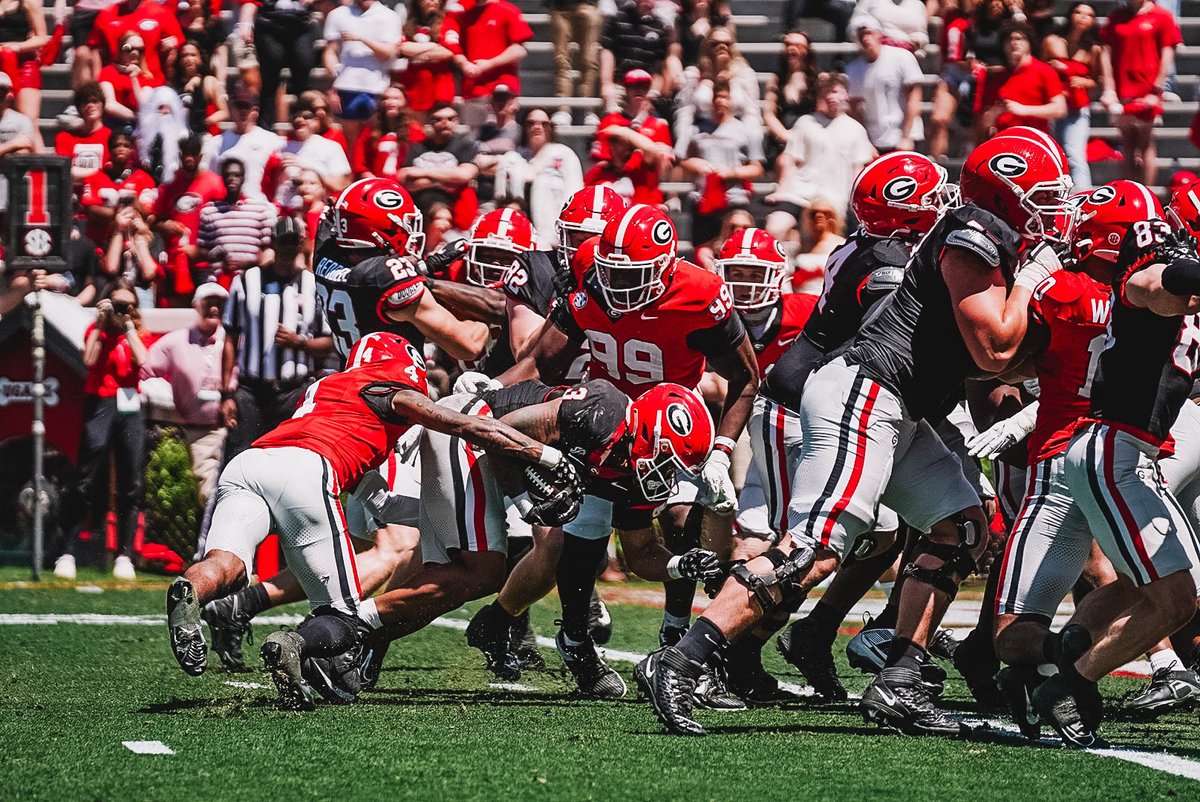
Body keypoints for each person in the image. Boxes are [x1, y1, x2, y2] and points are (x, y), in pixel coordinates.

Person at [637, 132, 1070, 736]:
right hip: (867, 393)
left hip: (901, 404)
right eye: (1043, 195)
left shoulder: (989, 237)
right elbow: (995, 349)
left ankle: (900, 679)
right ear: (1004, 193)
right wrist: (1034, 284)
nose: (1056, 209)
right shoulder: (973, 230)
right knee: (815, 547)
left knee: (962, 527)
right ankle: (683, 659)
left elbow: (987, 356)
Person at [165, 330, 571, 713]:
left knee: (226, 565)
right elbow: (462, 424)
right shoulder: (386, 391)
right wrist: (541, 455)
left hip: (250, 463)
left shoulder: (325, 394)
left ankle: (192, 592)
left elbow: (385, 504)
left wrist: (437, 514)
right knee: (341, 617)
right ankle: (292, 647)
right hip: (307, 470)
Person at [495, 204, 760, 699]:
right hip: (603, 422)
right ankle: (576, 643)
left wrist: (723, 449)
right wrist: (483, 395)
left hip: (672, 425)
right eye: (609, 271)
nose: (616, 285)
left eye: (631, 274)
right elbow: (541, 363)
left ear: (664, 266)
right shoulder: (588, 275)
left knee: (681, 524)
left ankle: (676, 645)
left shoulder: (700, 294)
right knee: (584, 534)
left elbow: (747, 378)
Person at [724, 151, 949, 703]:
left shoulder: (880, 249)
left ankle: (808, 633)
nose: (945, 208)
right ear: (905, 213)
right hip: (803, 411)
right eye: (932, 200)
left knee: (879, 536)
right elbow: (895, 348)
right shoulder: (890, 262)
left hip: (840, 406)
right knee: (800, 548)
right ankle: (718, 651)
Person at [1046, 194, 1200, 746]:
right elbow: (1156, 287)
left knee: (1146, 584)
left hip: (1124, 453)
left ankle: (1072, 643)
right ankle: (1071, 682)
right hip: (1114, 453)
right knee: (1179, 599)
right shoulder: (1151, 262)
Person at [312, 177, 489, 363]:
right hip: (393, 386)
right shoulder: (385, 277)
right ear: (383, 231)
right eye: (408, 224)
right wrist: (486, 325)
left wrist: (424, 267)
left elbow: (333, 224)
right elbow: (468, 347)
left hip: (348, 376)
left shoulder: (325, 255)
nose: (411, 230)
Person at [53, 280, 150, 582]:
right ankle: (66, 550)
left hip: (130, 404)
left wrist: (128, 327)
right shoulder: (98, 332)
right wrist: (100, 322)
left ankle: (124, 554)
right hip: (101, 401)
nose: (121, 310)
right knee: (86, 475)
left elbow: (143, 360)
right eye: (116, 303)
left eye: (127, 305)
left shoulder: (138, 333)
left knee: (130, 481)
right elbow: (89, 359)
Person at [219, 216, 332, 467]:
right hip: (251, 392)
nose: (288, 248)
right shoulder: (246, 281)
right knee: (240, 459)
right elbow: (230, 338)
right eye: (283, 242)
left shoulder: (312, 285)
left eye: (294, 242)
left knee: (294, 462)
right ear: (273, 243)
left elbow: (329, 341)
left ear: (302, 244)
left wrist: (299, 343)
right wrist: (226, 393)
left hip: (294, 391)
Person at [141, 283, 232, 505]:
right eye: (209, 303)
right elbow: (142, 369)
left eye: (219, 303)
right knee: (210, 495)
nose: (214, 309)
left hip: (234, 430)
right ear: (196, 305)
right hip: (200, 433)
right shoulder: (175, 342)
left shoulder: (235, 341)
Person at [766, 73, 875, 246]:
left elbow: (857, 169)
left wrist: (853, 202)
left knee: (836, 243)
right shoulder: (805, 123)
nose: (830, 97)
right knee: (775, 227)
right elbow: (790, 160)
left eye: (835, 91)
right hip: (800, 193)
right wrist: (782, 190)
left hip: (836, 198)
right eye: (826, 92)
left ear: (845, 94)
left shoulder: (856, 129)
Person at [1100, 0, 1181, 187]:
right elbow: (1106, 51)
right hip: (1122, 89)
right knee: (1127, 144)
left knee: (1145, 143)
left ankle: (1147, 195)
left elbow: (1167, 53)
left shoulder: (1162, 16)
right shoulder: (1117, 17)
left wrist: (1157, 88)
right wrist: (1109, 87)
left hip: (1147, 88)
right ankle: (1129, 193)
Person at [678, 81, 764, 258]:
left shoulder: (745, 131)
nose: (720, 101)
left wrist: (732, 172)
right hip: (704, 201)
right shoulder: (696, 130)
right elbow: (683, 162)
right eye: (717, 97)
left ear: (732, 101)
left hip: (734, 200)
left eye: (725, 97)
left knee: (738, 251)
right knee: (703, 251)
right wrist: (695, 163)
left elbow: (757, 168)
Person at [151, 134, 226, 306]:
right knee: (175, 313)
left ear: (201, 156)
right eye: (186, 154)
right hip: (174, 264)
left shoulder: (215, 184)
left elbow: (225, 221)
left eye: (193, 154)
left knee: (205, 311)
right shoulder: (169, 187)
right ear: (180, 155)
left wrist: (201, 249)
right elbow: (154, 221)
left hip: (204, 263)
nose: (189, 158)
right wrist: (164, 225)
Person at [493, 108, 583, 247]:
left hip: (555, 237)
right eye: (531, 123)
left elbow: (575, 196)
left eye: (544, 124)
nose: (537, 127)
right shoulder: (512, 159)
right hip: (518, 237)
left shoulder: (564, 155)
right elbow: (501, 199)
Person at [323, 0, 403, 150]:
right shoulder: (337, 15)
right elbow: (331, 51)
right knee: (349, 143)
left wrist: (362, 39)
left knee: (375, 140)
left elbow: (388, 53)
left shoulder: (390, 17)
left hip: (378, 88)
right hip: (345, 87)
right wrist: (333, 86)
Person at [444, 0, 532, 133]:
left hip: (502, 89)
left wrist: (489, 64)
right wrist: (464, 64)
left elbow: (519, 49)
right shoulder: (465, 15)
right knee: (476, 142)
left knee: (506, 137)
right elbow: (455, 49)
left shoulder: (508, 10)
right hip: (473, 90)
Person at [673, 27, 762, 158]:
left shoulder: (745, 75)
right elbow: (684, 113)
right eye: (714, 43)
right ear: (706, 48)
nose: (722, 47)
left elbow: (752, 113)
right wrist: (682, 146)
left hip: (736, 131)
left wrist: (753, 144)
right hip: (702, 131)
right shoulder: (694, 75)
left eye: (727, 43)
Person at [238, 0, 320, 132]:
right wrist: (245, 24)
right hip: (269, 22)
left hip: (301, 23)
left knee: (303, 65)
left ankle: (304, 126)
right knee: (269, 78)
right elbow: (250, 1)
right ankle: (264, 129)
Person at [1043, 2, 1100, 189]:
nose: (1083, 17)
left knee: (1074, 154)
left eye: (1088, 14)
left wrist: (1082, 81)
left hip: (1076, 106)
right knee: (1051, 154)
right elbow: (1038, 69)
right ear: (1070, 15)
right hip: (1052, 103)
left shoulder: (1093, 49)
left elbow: (1096, 80)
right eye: (1078, 12)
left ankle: (1083, 195)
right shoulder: (1053, 41)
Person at [846, 18, 924, 154]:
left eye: (868, 33)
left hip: (903, 136)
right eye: (861, 35)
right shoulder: (854, 69)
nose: (865, 38)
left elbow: (914, 98)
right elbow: (855, 109)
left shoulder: (902, 57)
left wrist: (906, 137)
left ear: (879, 34)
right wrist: (865, 142)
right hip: (875, 139)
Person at [197, 157, 278, 286]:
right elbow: (201, 250)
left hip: (252, 280)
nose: (232, 179)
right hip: (218, 282)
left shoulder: (261, 210)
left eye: (237, 175)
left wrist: (247, 263)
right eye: (227, 175)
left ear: (243, 178)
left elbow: (269, 250)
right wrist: (215, 254)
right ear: (222, 178)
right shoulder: (209, 211)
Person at [400, 102, 479, 229]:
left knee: (441, 219)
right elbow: (405, 179)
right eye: (438, 119)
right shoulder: (417, 147)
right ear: (429, 122)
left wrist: (422, 173)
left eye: (450, 119)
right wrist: (448, 179)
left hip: (453, 204)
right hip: (418, 203)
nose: (444, 123)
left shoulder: (465, 145)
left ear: (457, 121)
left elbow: (465, 175)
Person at [269, 96, 353, 204]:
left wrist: (307, 166)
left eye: (306, 117)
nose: (299, 120)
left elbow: (338, 186)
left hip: (316, 210)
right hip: (285, 209)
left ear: (316, 121)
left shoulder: (330, 146)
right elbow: (271, 187)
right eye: (296, 116)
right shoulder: (280, 147)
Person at [984, 23, 1066, 135]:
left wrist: (1023, 109)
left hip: (1033, 139)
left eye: (1019, 38)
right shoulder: (999, 77)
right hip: (1004, 140)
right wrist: (994, 113)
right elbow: (986, 121)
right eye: (1008, 40)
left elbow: (1060, 109)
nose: (1013, 43)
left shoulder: (1044, 71)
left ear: (1029, 43)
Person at [202, 91, 284, 201]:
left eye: (247, 108)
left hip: (260, 205)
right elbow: (209, 178)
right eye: (238, 107)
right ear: (231, 110)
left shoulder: (272, 141)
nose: (242, 112)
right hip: (226, 207)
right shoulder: (216, 143)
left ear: (255, 112)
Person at [599, 0, 676, 114]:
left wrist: (653, 93)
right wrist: (607, 84)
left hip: (646, 89)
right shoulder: (617, 18)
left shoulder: (660, 27)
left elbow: (658, 69)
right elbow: (607, 52)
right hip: (620, 86)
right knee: (613, 117)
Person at [88, 0, 183, 88]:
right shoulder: (107, 14)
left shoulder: (161, 12)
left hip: (150, 82)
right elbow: (95, 49)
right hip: (115, 82)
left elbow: (178, 43)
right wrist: (96, 82)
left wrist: (171, 47)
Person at [763, 31, 818, 165]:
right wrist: (784, 135)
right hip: (784, 139)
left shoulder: (818, 80)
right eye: (788, 45)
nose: (792, 49)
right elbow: (769, 114)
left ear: (807, 50)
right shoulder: (776, 81)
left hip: (810, 138)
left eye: (798, 45)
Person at [398, 0, 456, 122]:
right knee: (417, 130)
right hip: (414, 87)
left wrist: (418, 54)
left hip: (440, 88)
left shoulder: (448, 23)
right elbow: (403, 48)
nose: (434, 2)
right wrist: (434, 46)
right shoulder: (409, 25)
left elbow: (449, 52)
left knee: (438, 127)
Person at [352, 84, 425, 181]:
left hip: (407, 186)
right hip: (376, 184)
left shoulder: (415, 131)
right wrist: (375, 181)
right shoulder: (369, 130)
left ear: (405, 102)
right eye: (385, 98)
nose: (390, 102)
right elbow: (359, 163)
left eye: (396, 98)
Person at [548, 0, 601, 126]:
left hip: (587, 5)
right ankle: (563, 109)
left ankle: (588, 109)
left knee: (590, 59)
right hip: (559, 7)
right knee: (561, 60)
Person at [170, 38, 229, 137]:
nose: (189, 59)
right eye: (184, 56)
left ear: (200, 58)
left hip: (205, 136)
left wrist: (206, 122)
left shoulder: (209, 81)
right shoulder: (175, 87)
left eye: (193, 55)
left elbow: (225, 112)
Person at [55, 82, 112, 182]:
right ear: (79, 108)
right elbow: (65, 171)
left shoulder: (112, 136)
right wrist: (101, 171)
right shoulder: (65, 138)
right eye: (85, 102)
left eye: (95, 101)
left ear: (102, 105)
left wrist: (121, 177)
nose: (90, 105)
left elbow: (129, 170)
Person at [0, 71, 35, 212]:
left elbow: (23, 156)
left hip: (15, 181)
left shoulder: (22, 121)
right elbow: (20, 146)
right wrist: (14, 144)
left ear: (10, 94)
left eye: (2, 91)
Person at [97, 31, 148, 127]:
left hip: (143, 125)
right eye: (129, 49)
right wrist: (137, 117)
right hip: (118, 123)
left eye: (139, 50)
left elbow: (144, 105)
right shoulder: (108, 72)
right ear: (120, 50)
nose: (135, 53)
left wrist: (134, 78)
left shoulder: (147, 77)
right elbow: (109, 105)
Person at [849, 0, 930, 50]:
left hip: (906, 54)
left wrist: (918, 41)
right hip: (875, 55)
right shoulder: (869, 1)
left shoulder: (917, 5)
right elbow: (854, 25)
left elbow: (921, 33)